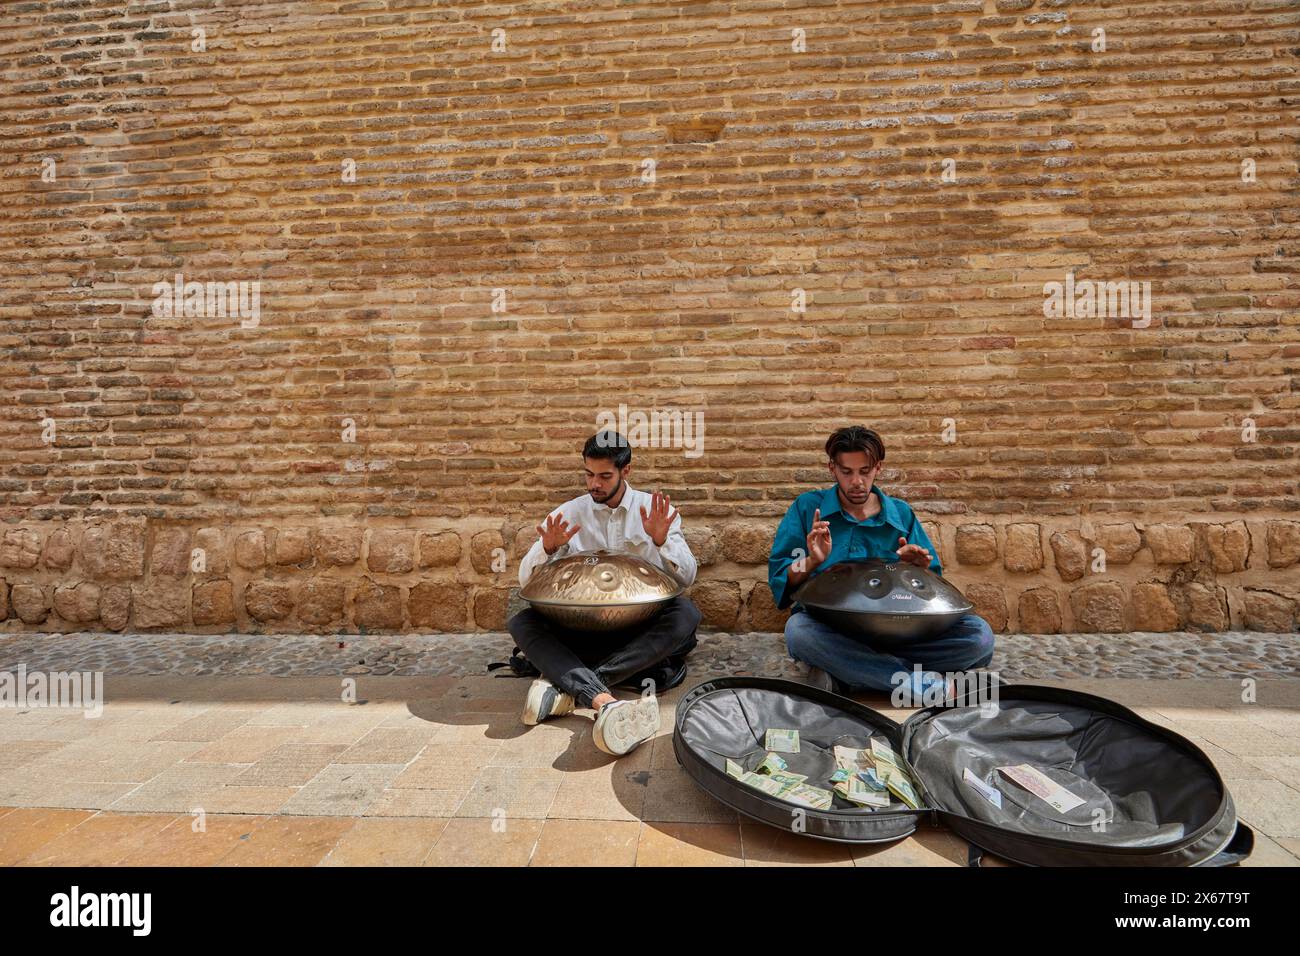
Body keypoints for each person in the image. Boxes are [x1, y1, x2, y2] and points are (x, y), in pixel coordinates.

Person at [509, 430, 702, 755]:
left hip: (639, 628)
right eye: (588, 474)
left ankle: (566, 687)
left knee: (686, 615)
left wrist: (660, 541)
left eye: (604, 476)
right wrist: (546, 547)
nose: (593, 484)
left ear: (625, 471)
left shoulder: (653, 511)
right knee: (522, 622)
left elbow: (687, 577)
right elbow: (525, 580)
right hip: (581, 628)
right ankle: (604, 698)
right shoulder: (569, 513)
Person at [768, 425, 994, 702]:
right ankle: (920, 685)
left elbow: (933, 591)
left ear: (878, 468)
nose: (857, 482)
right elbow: (782, 578)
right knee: (799, 633)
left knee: (979, 637)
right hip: (835, 629)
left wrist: (918, 569)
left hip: (900, 631)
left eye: (865, 471)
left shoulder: (900, 513)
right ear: (832, 469)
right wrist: (812, 560)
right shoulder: (807, 508)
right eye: (846, 472)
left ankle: (854, 674)